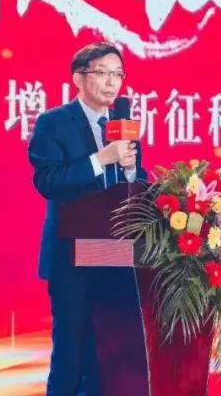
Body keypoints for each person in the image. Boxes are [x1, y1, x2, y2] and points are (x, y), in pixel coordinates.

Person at [28, 42, 148, 396]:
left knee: (107, 353)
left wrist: (130, 170)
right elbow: (48, 181)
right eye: (103, 73)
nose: (112, 82)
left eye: (118, 74)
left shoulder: (122, 126)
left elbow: (136, 188)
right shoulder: (54, 123)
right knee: (71, 350)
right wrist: (101, 159)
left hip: (115, 253)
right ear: (78, 79)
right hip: (72, 253)